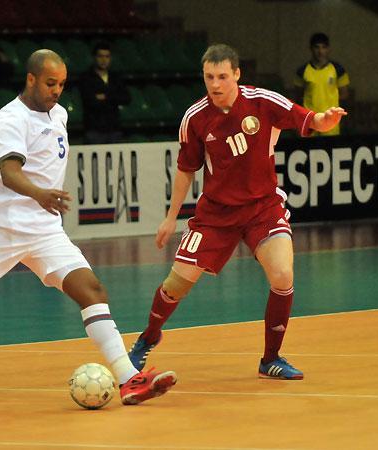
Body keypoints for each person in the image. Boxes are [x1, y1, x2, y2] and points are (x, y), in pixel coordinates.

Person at [0, 49, 177, 405]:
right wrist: (40, 194)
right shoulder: (11, 118)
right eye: (51, 83)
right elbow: (9, 173)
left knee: (92, 291)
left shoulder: (60, 114)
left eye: (62, 84)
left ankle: (129, 379)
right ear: (31, 79)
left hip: (44, 228)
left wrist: (43, 202)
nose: (57, 90)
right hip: (2, 225)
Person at [128, 44, 347, 380]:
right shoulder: (195, 118)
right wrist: (171, 217)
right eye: (209, 77)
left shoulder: (262, 102)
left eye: (222, 76)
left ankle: (270, 359)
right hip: (216, 214)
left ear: (237, 75)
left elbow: (306, 118)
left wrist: (324, 119)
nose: (215, 84)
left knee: (283, 274)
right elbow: (186, 169)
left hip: (262, 207)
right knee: (175, 285)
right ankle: (148, 337)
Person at [294, 32, 350, 136]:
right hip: (310, 121)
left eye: (323, 47)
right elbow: (297, 96)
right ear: (311, 49)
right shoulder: (302, 71)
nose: (320, 51)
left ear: (328, 49)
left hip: (331, 122)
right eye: (317, 47)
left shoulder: (338, 70)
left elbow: (345, 94)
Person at [78, 41, 130, 144]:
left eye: (107, 56)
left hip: (114, 128)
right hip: (94, 129)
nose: (104, 60)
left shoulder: (116, 77)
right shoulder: (86, 78)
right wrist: (113, 97)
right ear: (94, 57)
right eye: (100, 56)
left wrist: (105, 96)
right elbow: (90, 101)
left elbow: (126, 98)